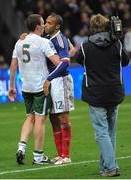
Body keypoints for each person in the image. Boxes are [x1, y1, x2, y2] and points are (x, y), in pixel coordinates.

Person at [75, 14, 129, 176]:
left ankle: (111, 167)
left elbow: (79, 60)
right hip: (114, 92)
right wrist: (116, 40)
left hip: (96, 93)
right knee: (110, 132)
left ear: (92, 27)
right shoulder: (116, 44)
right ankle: (106, 166)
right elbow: (125, 62)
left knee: (102, 132)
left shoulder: (86, 46)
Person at [8, 14, 65, 165]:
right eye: (43, 23)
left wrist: (12, 86)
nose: (45, 26)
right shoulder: (43, 42)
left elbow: (13, 65)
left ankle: (21, 147)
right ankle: (38, 156)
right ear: (38, 26)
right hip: (41, 87)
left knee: (29, 117)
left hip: (26, 87)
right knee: (40, 119)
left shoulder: (19, 42)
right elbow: (58, 62)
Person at [44, 13, 74, 165]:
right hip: (55, 81)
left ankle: (66, 156)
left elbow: (65, 62)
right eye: (45, 22)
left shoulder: (59, 39)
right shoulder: (50, 39)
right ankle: (60, 153)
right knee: (53, 117)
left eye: (49, 23)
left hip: (61, 81)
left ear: (57, 26)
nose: (45, 25)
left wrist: (49, 78)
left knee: (62, 116)